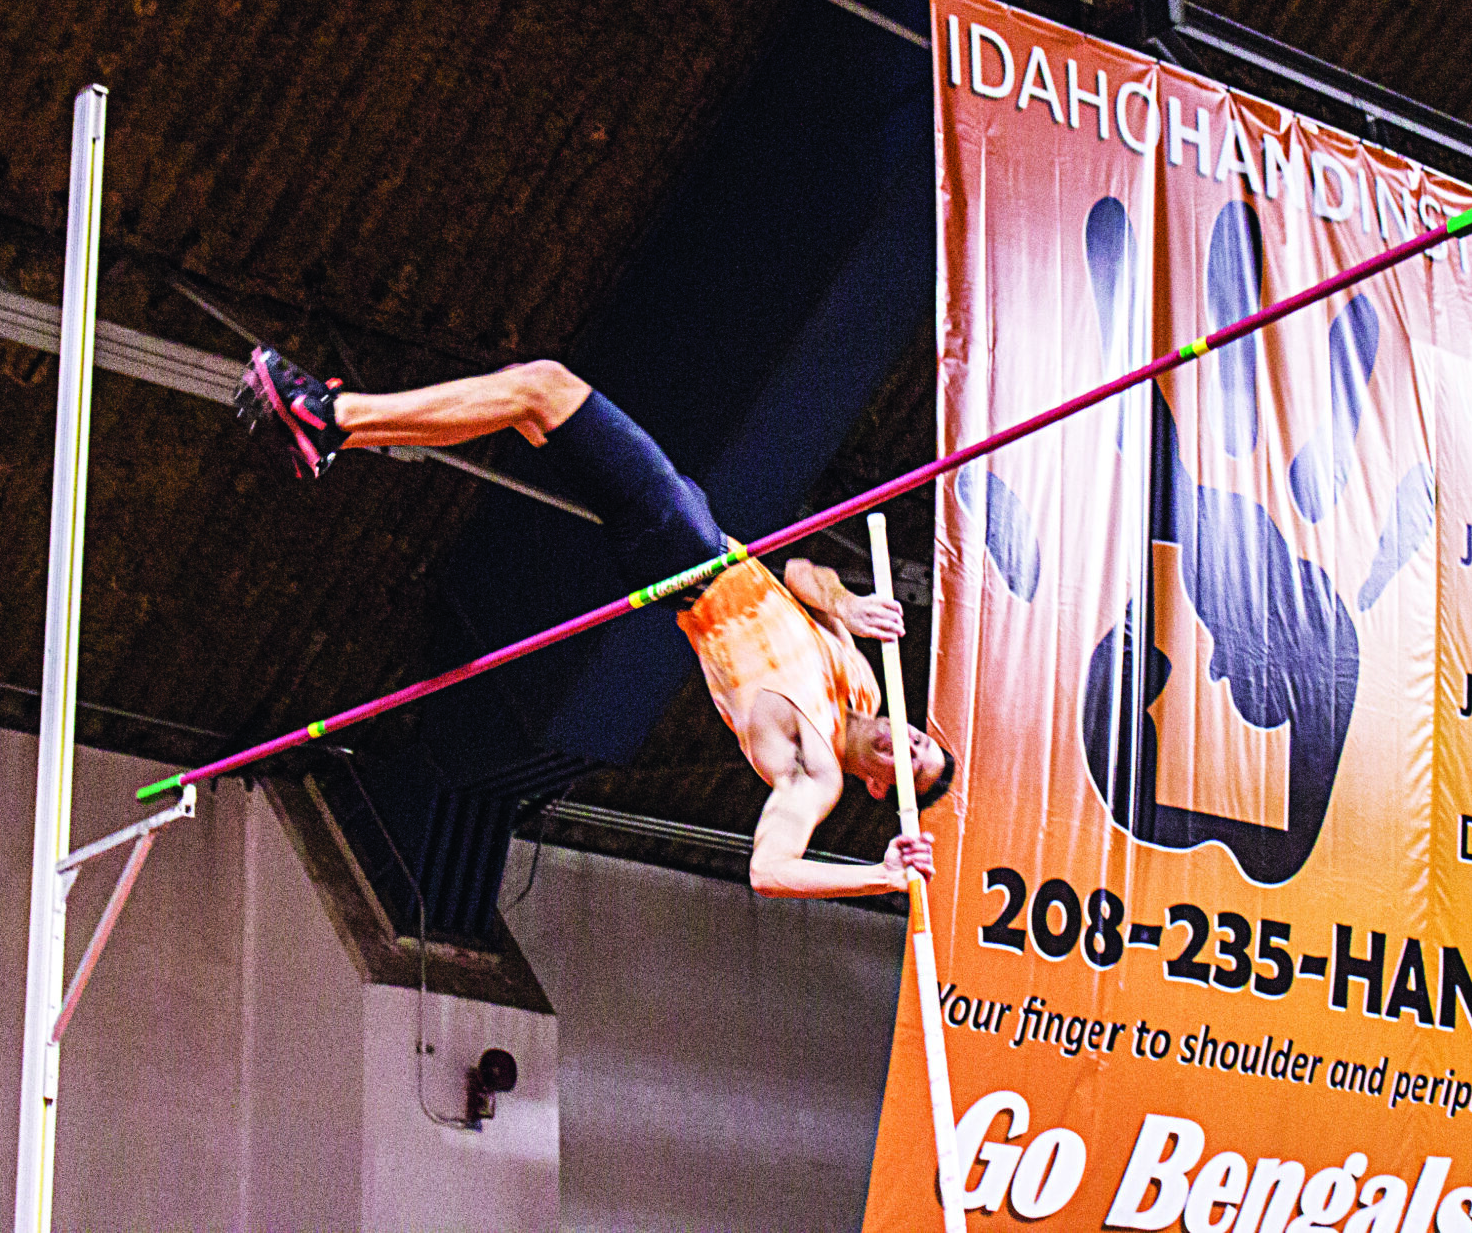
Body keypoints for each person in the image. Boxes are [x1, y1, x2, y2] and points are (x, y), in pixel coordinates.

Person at [236, 345, 954, 899]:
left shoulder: (816, 772)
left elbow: (770, 871)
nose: (902, 743)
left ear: (877, 789)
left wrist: (880, 876)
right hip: (705, 537)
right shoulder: (859, 679)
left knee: (544, 388)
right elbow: (801, 573)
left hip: (687, 560)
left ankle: (331, 419)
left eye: (904, 764)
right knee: (528, 396)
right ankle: (332, 431)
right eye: (917, 739)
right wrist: (845, 605)